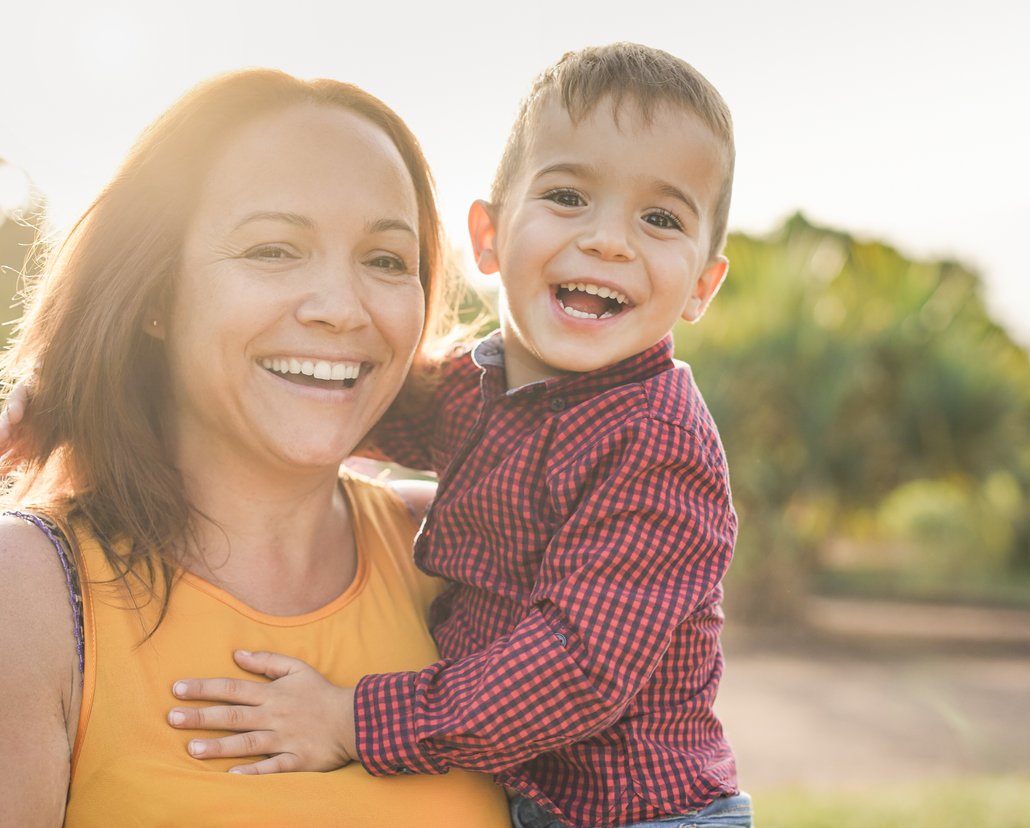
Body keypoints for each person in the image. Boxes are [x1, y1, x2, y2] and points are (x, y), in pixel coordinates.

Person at [168, 44, 753, 828]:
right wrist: (94, 396)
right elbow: (332, 391)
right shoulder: (474, 389)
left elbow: (571, 672)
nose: (610, 240)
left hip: (637, 815)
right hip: (512, 794)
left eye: (660, 217)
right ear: (488, 236)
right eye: (569, 195)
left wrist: (350, 719)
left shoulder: (658, 445)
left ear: (702, 286)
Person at [0, 68, 509, 826]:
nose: (342, 309)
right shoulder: (29, 590)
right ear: (155, 298)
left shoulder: (463, 556)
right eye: (274, 250)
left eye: (385, 260)